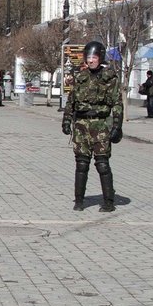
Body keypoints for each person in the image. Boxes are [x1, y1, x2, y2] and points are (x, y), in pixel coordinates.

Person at [62, 40, 123, 212]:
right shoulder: (80, 77)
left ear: (100, 57)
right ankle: (79, 200)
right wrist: (66, 120)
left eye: (94, 57)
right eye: (88, 57)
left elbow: (117, 104)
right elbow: (71, 102)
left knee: (102, 163)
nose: (90, 61)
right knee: (81, 163)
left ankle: (109, 202)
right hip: (81, 124)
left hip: (101, 124)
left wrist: (116, 126)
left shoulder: (109, 78)